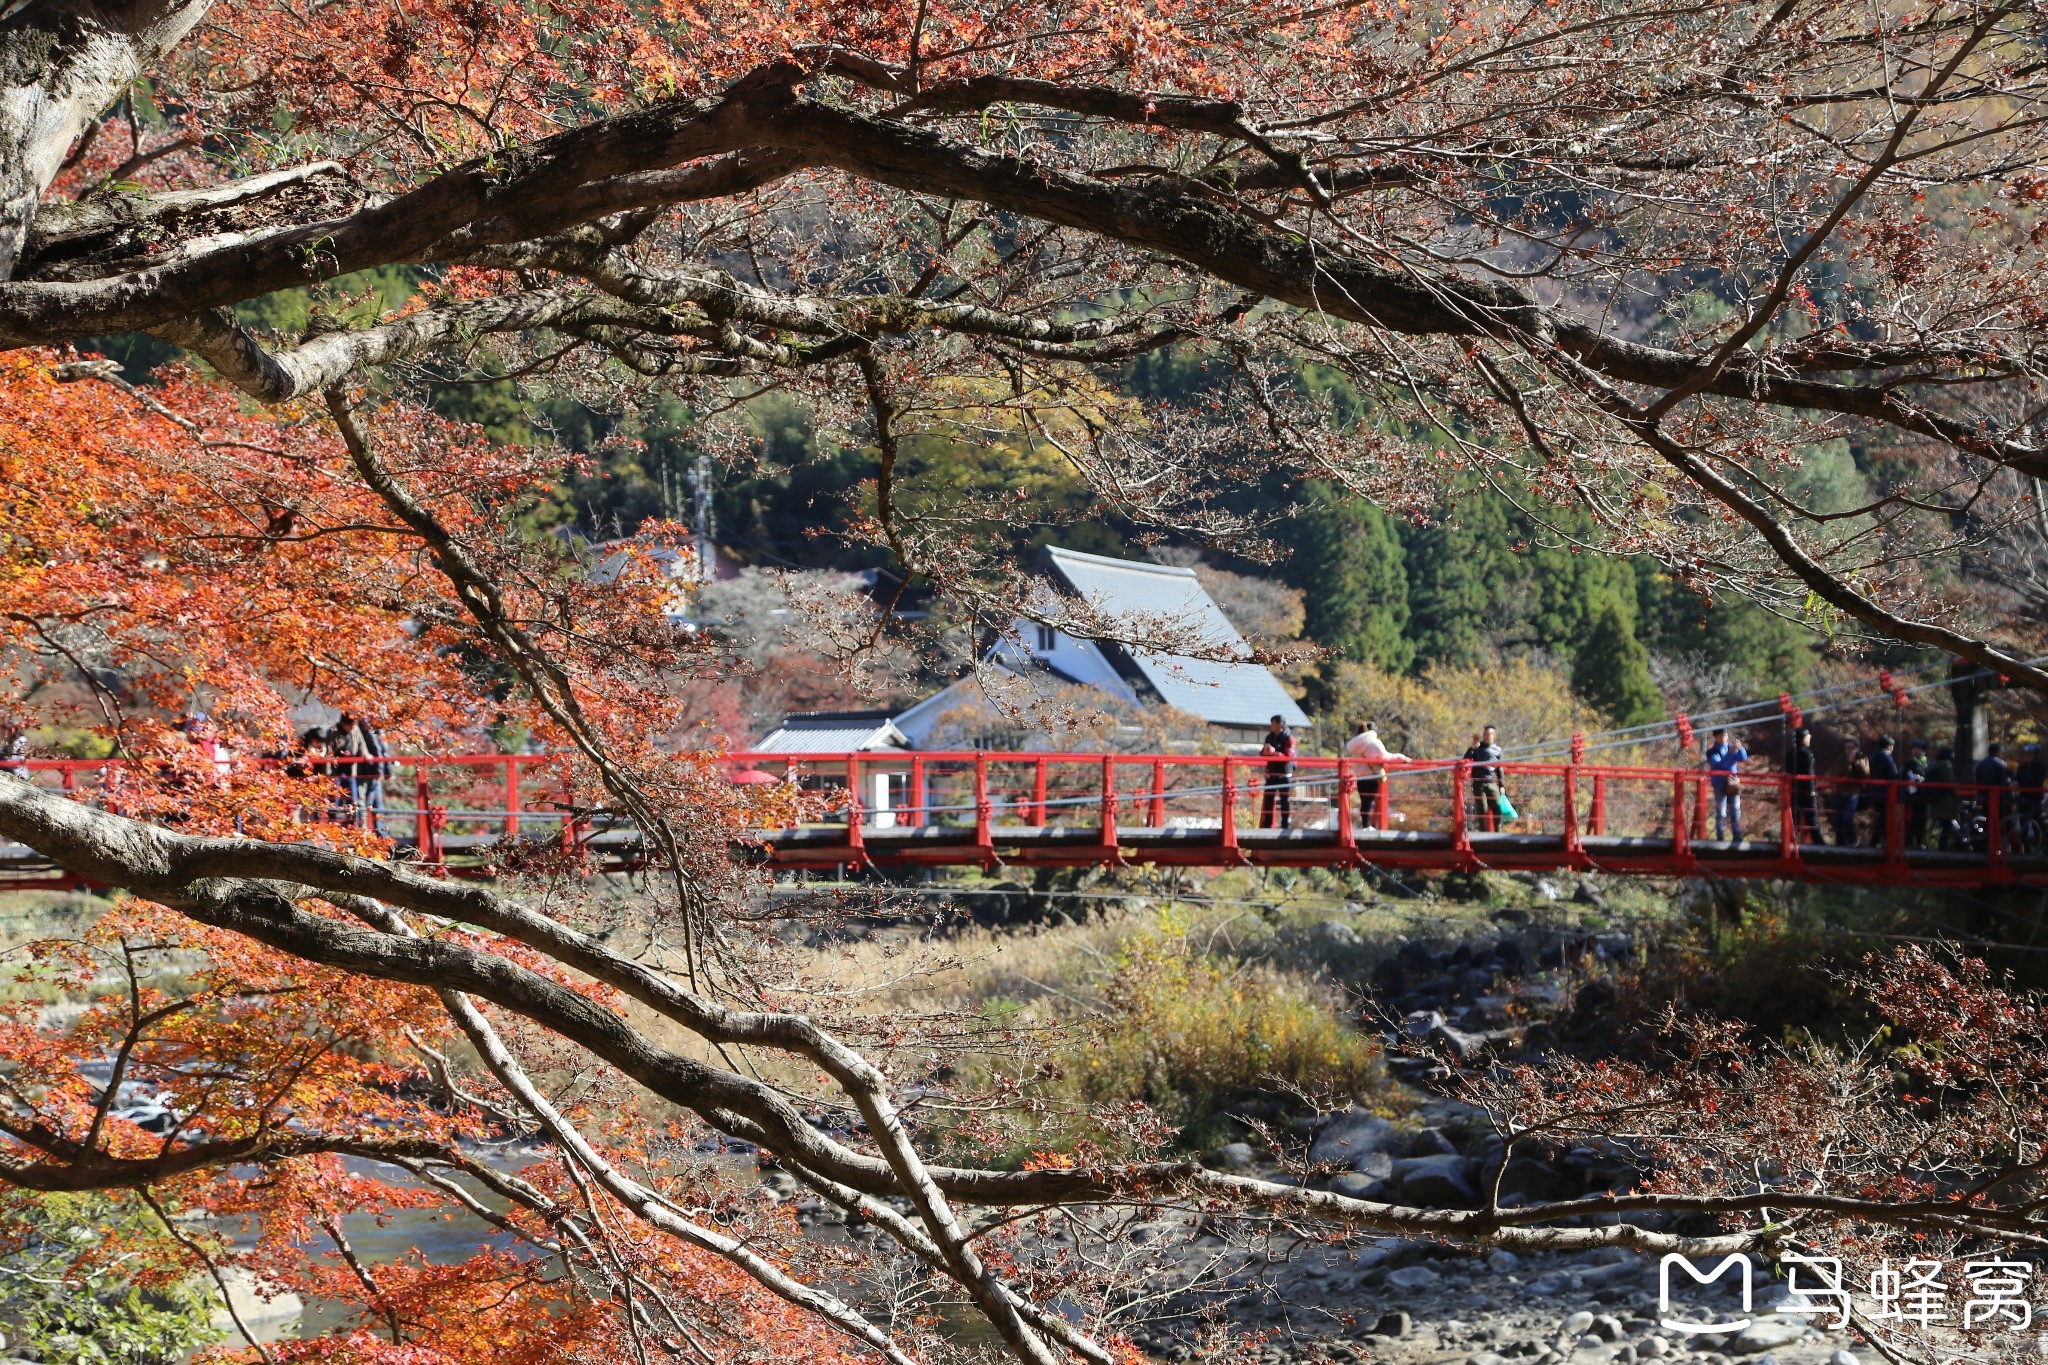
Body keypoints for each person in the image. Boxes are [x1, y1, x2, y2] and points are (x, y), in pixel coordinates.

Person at [1344, 721, 1407, 831]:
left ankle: (1365, 825)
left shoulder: (1356, 745)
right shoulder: (1373, 743)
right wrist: (1401, 758)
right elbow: (1385, 757)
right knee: (1369, 800)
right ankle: (1367, 826)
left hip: (1360, 775)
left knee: (1364, 801)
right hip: (1371, 775)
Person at [1703, 727, 1748, 842]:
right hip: (1719, 784)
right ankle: (1720, 835)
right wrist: (1730, 753)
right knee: (1721, 811)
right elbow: (1718, 765)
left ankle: (1737, 835)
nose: (1724, 738)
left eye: (1725, 736)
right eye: (1721, 736)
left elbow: (1743, 758)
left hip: (1732, 783)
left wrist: (1740, 748)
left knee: (1735, 810)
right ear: (1716, 737)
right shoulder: (1712, 751)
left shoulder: (1729, 747)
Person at [1465, 724, 1507, 832]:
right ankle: (1483, 832)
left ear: (1494, 735)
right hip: (1479, 782)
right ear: (1483, 735)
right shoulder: (1477, 748)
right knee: (1482, 809)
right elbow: (1465, 760)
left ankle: (1498, 833)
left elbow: (1500, 769)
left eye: (1490, 734)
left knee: (1497, 808)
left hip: (1492, 782)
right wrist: (1471, 749)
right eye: (1486, 734)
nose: (1488, 736)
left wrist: (1502, 785)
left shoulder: (1497, 749)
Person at [1786, 727, 1823, 845]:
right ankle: (1818, 841)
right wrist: (1811, 789)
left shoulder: (1790, 753)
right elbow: (1809, 773)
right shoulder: (1807, 753)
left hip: (1793, 788)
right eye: (1808, 737)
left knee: (1794, 815)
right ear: (1803, 738)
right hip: (1806, 790)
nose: (1810, 738)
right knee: (1811, 815)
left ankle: (1790, 838)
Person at [1259, 714, 1296, 830]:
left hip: (1284, 774)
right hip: (1271, 774)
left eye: (1273, 723)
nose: (1271, 726)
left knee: (1284, 800)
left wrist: (1275, 753)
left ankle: (1285, 825)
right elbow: (1262, 754)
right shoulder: (1269, 738)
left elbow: (1289, 757)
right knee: (1268, 800)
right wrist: (1265, 752)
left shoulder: (1289, 738)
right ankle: (1267, 825)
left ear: (1281, 724)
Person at [1865, 735, 1899, 848]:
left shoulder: (1873, 758)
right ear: (1889, 746)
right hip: (1886, 794)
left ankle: (1882, 841)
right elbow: (1893, 776)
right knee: (1885, 818)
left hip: (1874, 792)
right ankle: (1878, 842)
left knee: (1882, 818)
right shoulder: (1888, 759)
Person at [1833, 743, 1868, 848]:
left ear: (1857, 749)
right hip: (1840, 792)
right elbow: (1840, 774)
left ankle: (1853, 840)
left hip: (1853, 792)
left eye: (1852, 748)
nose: (1850, 750)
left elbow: (1865, 774)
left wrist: (1856, 763)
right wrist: (1849, 762)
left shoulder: (1862, 759)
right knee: (1838, 818)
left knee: (1847, 817)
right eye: (1847, 748)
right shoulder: (1840, 760)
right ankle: (1840, 842)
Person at [1904, 739, 1932, 847]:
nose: (1915, 751)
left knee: (1922, 819)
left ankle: (1920, 842)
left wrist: (1924, 780)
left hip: (1924, 795)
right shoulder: (1909, 763)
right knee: (1912, 819)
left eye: (1918, 748)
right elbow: (1904, 776)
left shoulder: (1927, 763)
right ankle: (1909, 842)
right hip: (1912, 795)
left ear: (1923, 750)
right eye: (1914, 748)